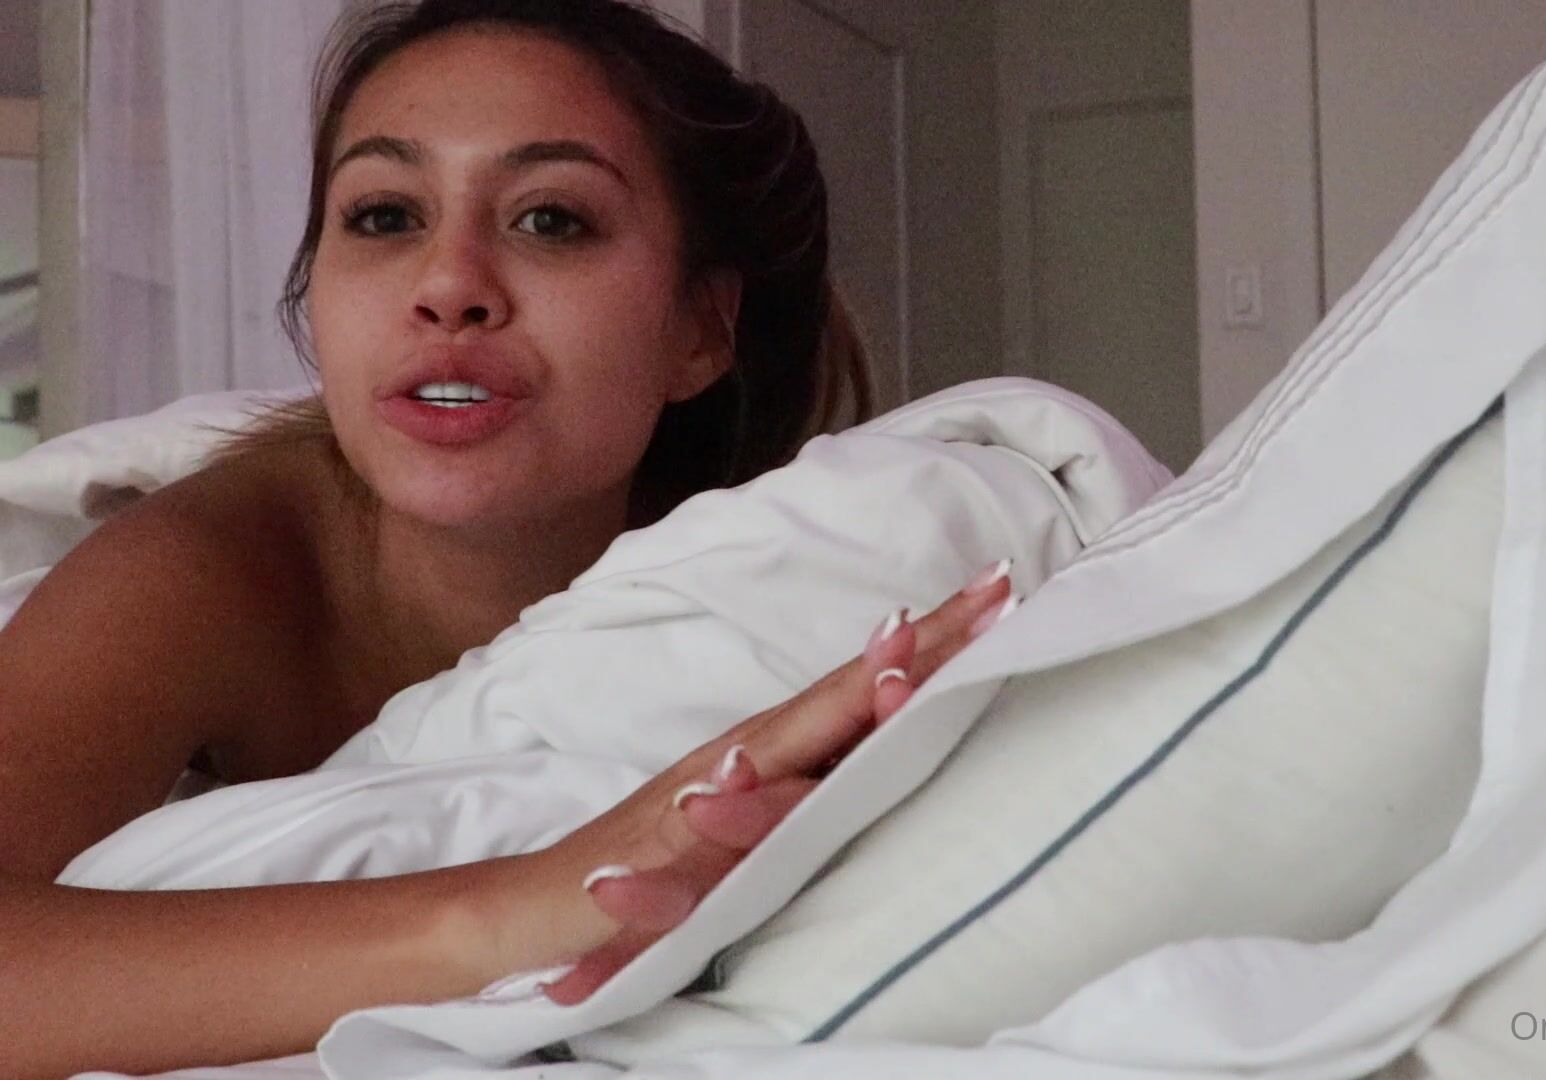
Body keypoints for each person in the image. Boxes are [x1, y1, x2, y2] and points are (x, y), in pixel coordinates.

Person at [0, 1, 1015, 1074]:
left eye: (551, 221)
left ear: (699, 328)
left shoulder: (784, 589)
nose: (448, 288)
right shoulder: (209, 567)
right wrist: (518, 909)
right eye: (385, 216)